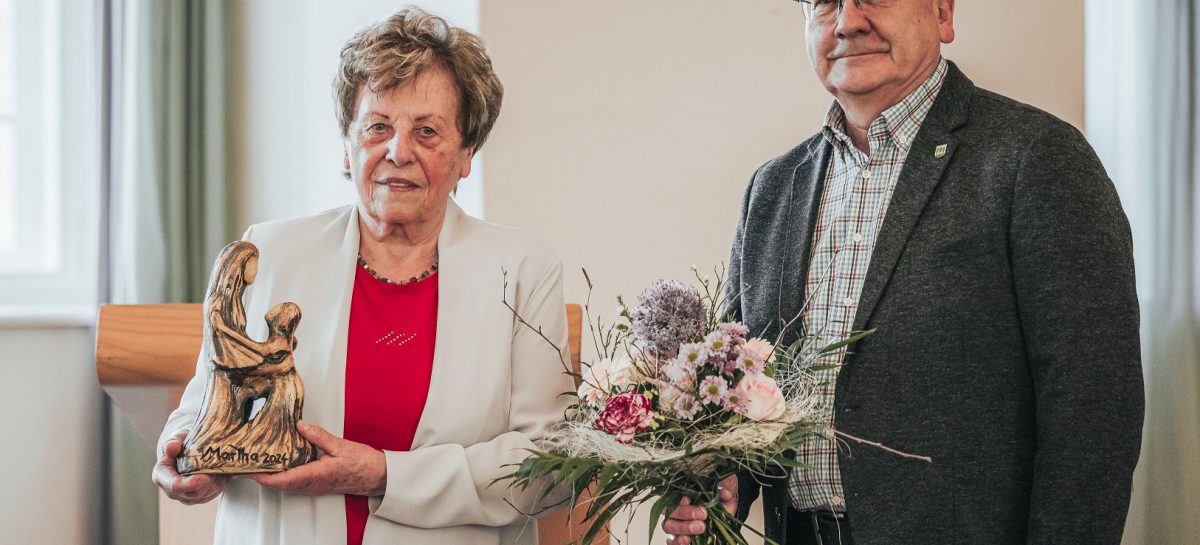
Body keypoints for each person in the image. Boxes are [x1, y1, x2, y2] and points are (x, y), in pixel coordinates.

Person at [664, 0, 1144, 544]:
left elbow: (1093, 417)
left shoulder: (1036, 159)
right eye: (824, 2)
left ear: (942, 13)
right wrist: (724, 483)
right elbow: (743, 393)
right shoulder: (773, 189)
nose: (847, 21)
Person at [152, 8, 574, 545]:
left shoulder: (523, 270)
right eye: (378, 127)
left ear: (467, 153)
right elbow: (206, 397)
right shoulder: (272, 248)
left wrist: (382, 473)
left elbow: (548, 466)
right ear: (347, 147)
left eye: (426, 131)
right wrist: (182, 448)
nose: (399, 151)